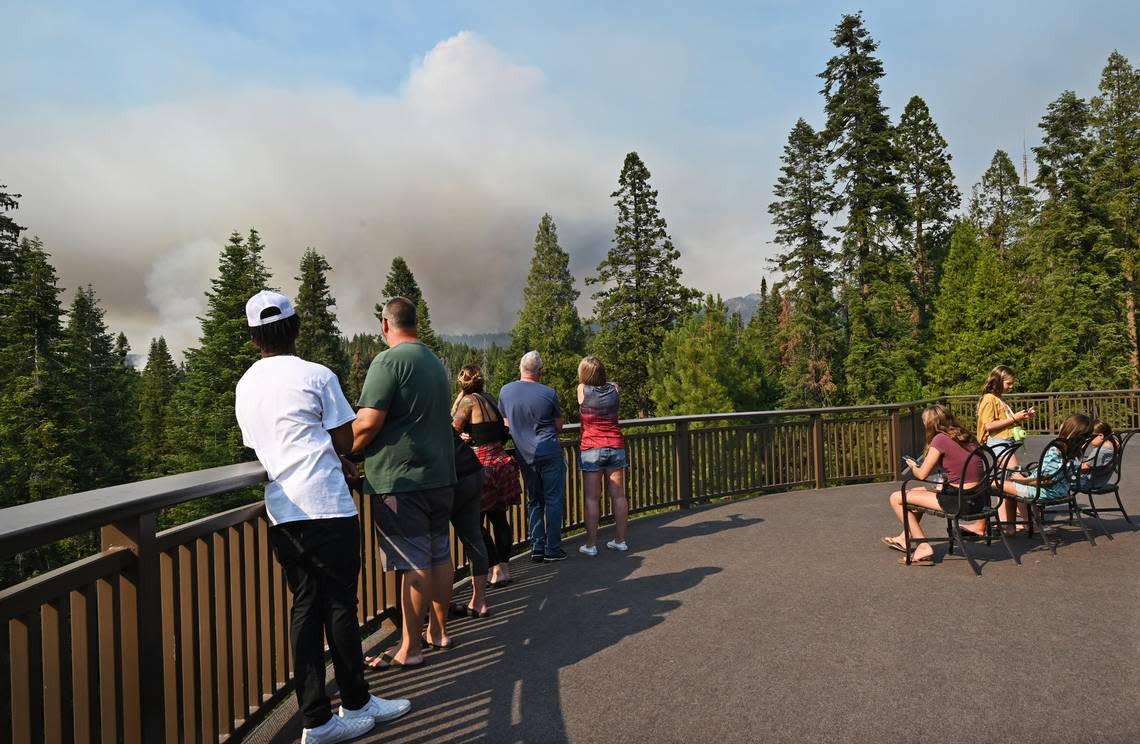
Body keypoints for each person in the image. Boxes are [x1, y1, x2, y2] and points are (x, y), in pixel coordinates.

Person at [234, 291, 410, 744]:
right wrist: (341, 458)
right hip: (327, 505)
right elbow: (346, 439)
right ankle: (348, 705)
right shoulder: (316, 376)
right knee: (339, 607)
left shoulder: (246, 384)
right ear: (294, 328)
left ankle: (325, 715)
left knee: (306, 608)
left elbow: (265, 443)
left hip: (284, 509)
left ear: (255, 337)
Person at [352, 297, 456, 670]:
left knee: (414, 562)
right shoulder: (432, 361)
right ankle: (439, 632)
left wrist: (342, 450)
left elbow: (367, 422)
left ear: (385, 325)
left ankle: (410, 648)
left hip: (402, 479)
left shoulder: (388, 361)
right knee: (440, 554)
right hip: (440, 476)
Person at [882, 405, 988, 566]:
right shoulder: (966, 436)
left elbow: (922, 474)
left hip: (959, 502)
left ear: (930, 423)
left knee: (896, 497)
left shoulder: (940, 439)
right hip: (978, 498)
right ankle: (905, 537)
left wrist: (912, 466)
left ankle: (923, 546)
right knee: (916, 492)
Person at [451, 365, 518, 588]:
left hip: (481, 466)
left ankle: (492, 568)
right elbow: (501, 431)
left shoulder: (468, 402)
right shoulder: (488, 398)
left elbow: (451, 429)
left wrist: (459, 401)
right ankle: (504, 569)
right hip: (501, 463)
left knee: (474, 523)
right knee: (499, 520)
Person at [498, 351, 567, 562]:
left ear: (520, 367)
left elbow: (505, 423)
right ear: (540, 372)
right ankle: (553, 548)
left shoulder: (505, 391)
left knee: (534, 500)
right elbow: (559, 425)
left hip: (525, 456)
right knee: (554, 500)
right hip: (549, 452)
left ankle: (537, 546)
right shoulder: (548, 393)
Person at [575, 356, 629, 556]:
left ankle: (591, 545)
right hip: (615, 445)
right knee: (619, 495)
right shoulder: (615, 388)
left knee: (592, 498)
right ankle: (620, 541)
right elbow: (612, 385)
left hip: (591, 448)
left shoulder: (582, 390)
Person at [1000, 413, 1091, 530]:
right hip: (1061, 490)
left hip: (1044, 491)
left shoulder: (1056, 450)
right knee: (1009, 486)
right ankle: (1016, 526)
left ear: (1067, 428)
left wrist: (1021, 479)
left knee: (994, 484)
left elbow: (1046, 481)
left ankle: (1013, 527)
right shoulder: (1076, 452)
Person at [976, 365, 1035, 527]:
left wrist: (1022, 416)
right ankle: (1030, 522)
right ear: (998, 381)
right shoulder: (989, 399)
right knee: (1019, 481)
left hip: (1004, 443)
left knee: (1004, 483)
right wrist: (1015, 418)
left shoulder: (997, 398)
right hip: (999, 444)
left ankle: (1006, 522)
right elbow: (988, 426)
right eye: (1008, 383)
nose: (1011, 386)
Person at [1079, 419, 1116, 491]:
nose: (1087, 440)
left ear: (1101, 435)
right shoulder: (1112, 445)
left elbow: (1083, 468)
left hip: (1091, 483)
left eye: (1089, 437)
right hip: (1101, 480)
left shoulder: (1100, 451)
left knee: (1062, 479)